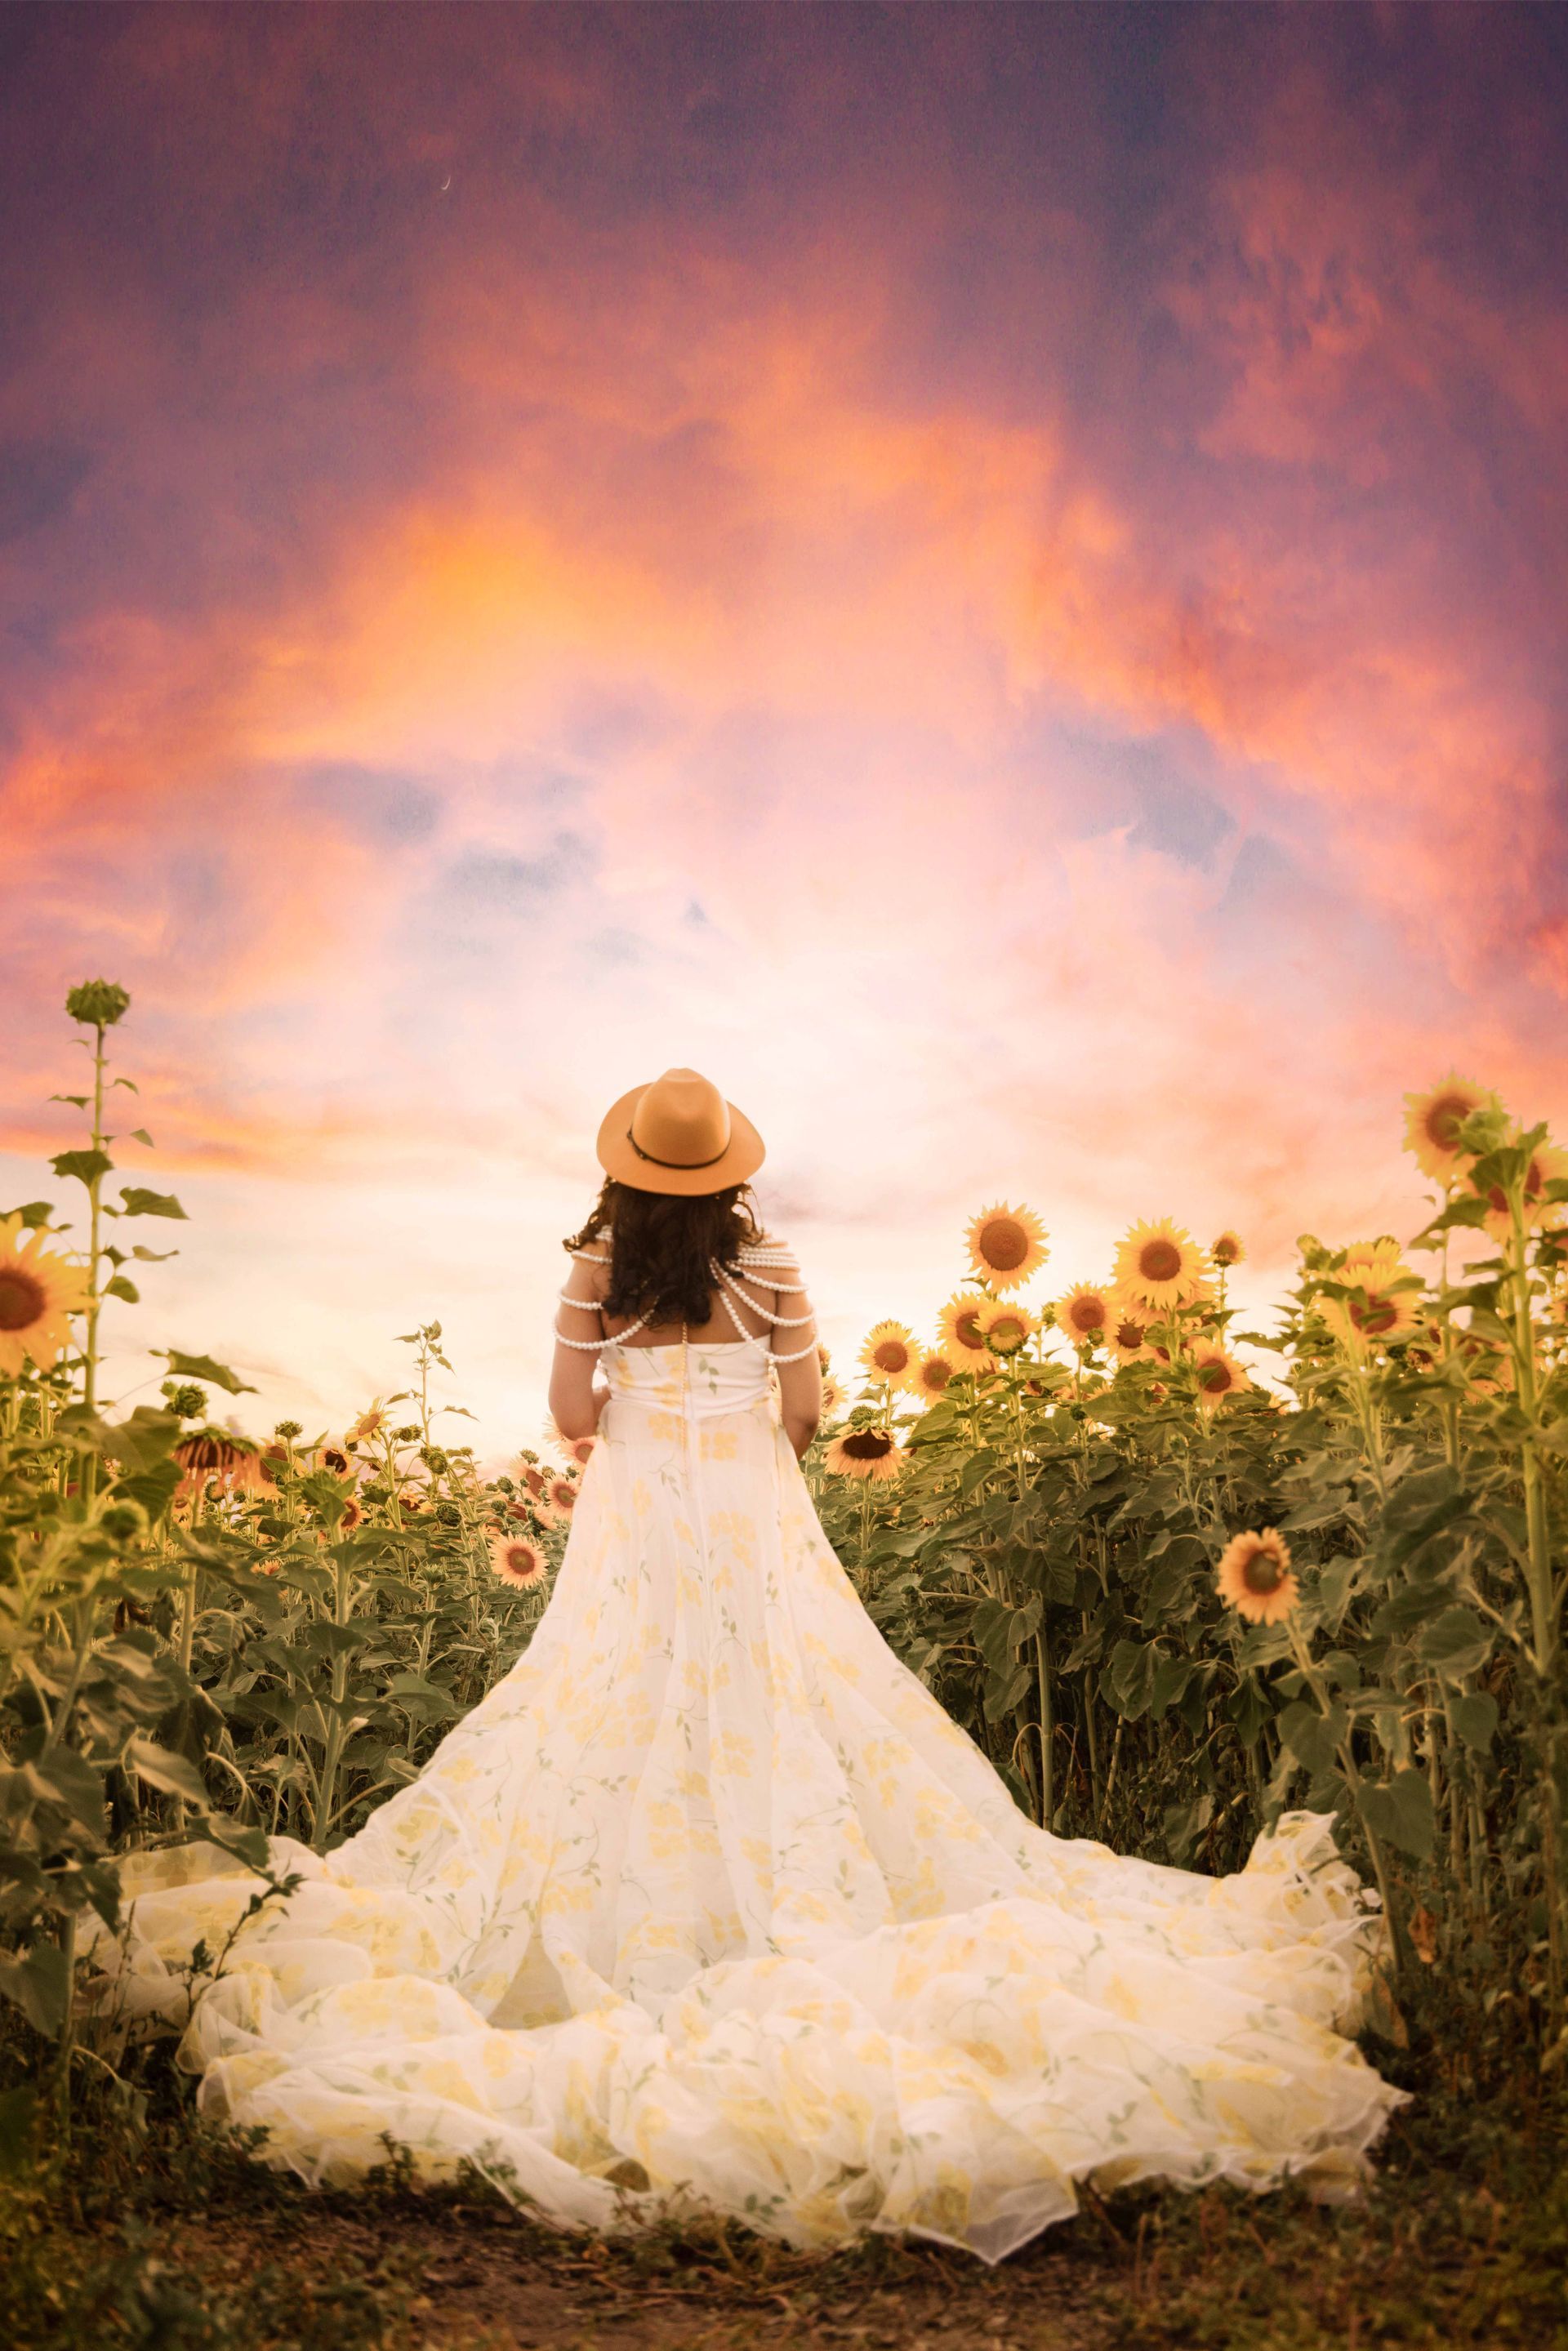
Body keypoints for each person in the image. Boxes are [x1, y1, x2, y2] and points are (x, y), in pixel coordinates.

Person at [96, 1068, 1405, 2264]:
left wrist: (640, 1401)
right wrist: (731, 1406)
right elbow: (806, 1415)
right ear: (728, 1177)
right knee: (787, 1699)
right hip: (749, 1514)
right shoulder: (771, 1265)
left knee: (604, 1699)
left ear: (626, 1177)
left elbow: (567, 1415)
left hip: (641, 1516)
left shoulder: (601, 1269)